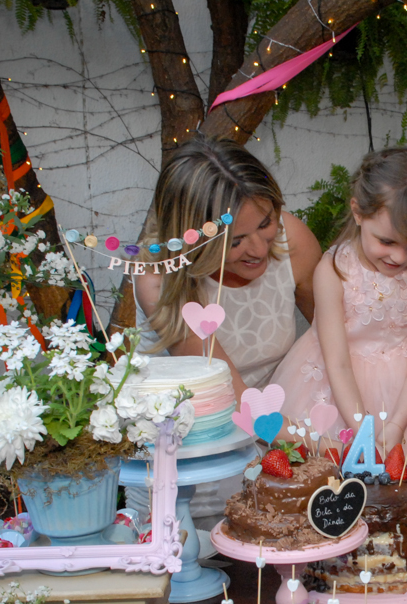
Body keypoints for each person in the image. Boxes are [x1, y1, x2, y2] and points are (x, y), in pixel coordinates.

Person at [131, 136, 321, 552]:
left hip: (276, 447)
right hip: (194, 465)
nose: (258, 249)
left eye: (266, 223)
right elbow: (230, 395)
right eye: (234, 240)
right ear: (192, 238)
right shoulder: (159, 278)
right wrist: (319, 447)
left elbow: (332, 341)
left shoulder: (294, 242)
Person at [270, 147, 407, 467]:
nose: (399, 257)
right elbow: (336, 361)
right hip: (333, 388)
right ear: (358, 212)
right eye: (387, 241)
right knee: (326, 486)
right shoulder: (334, 269)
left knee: (404, 495)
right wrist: (362, 430)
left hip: (402, 400)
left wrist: (395, 425)